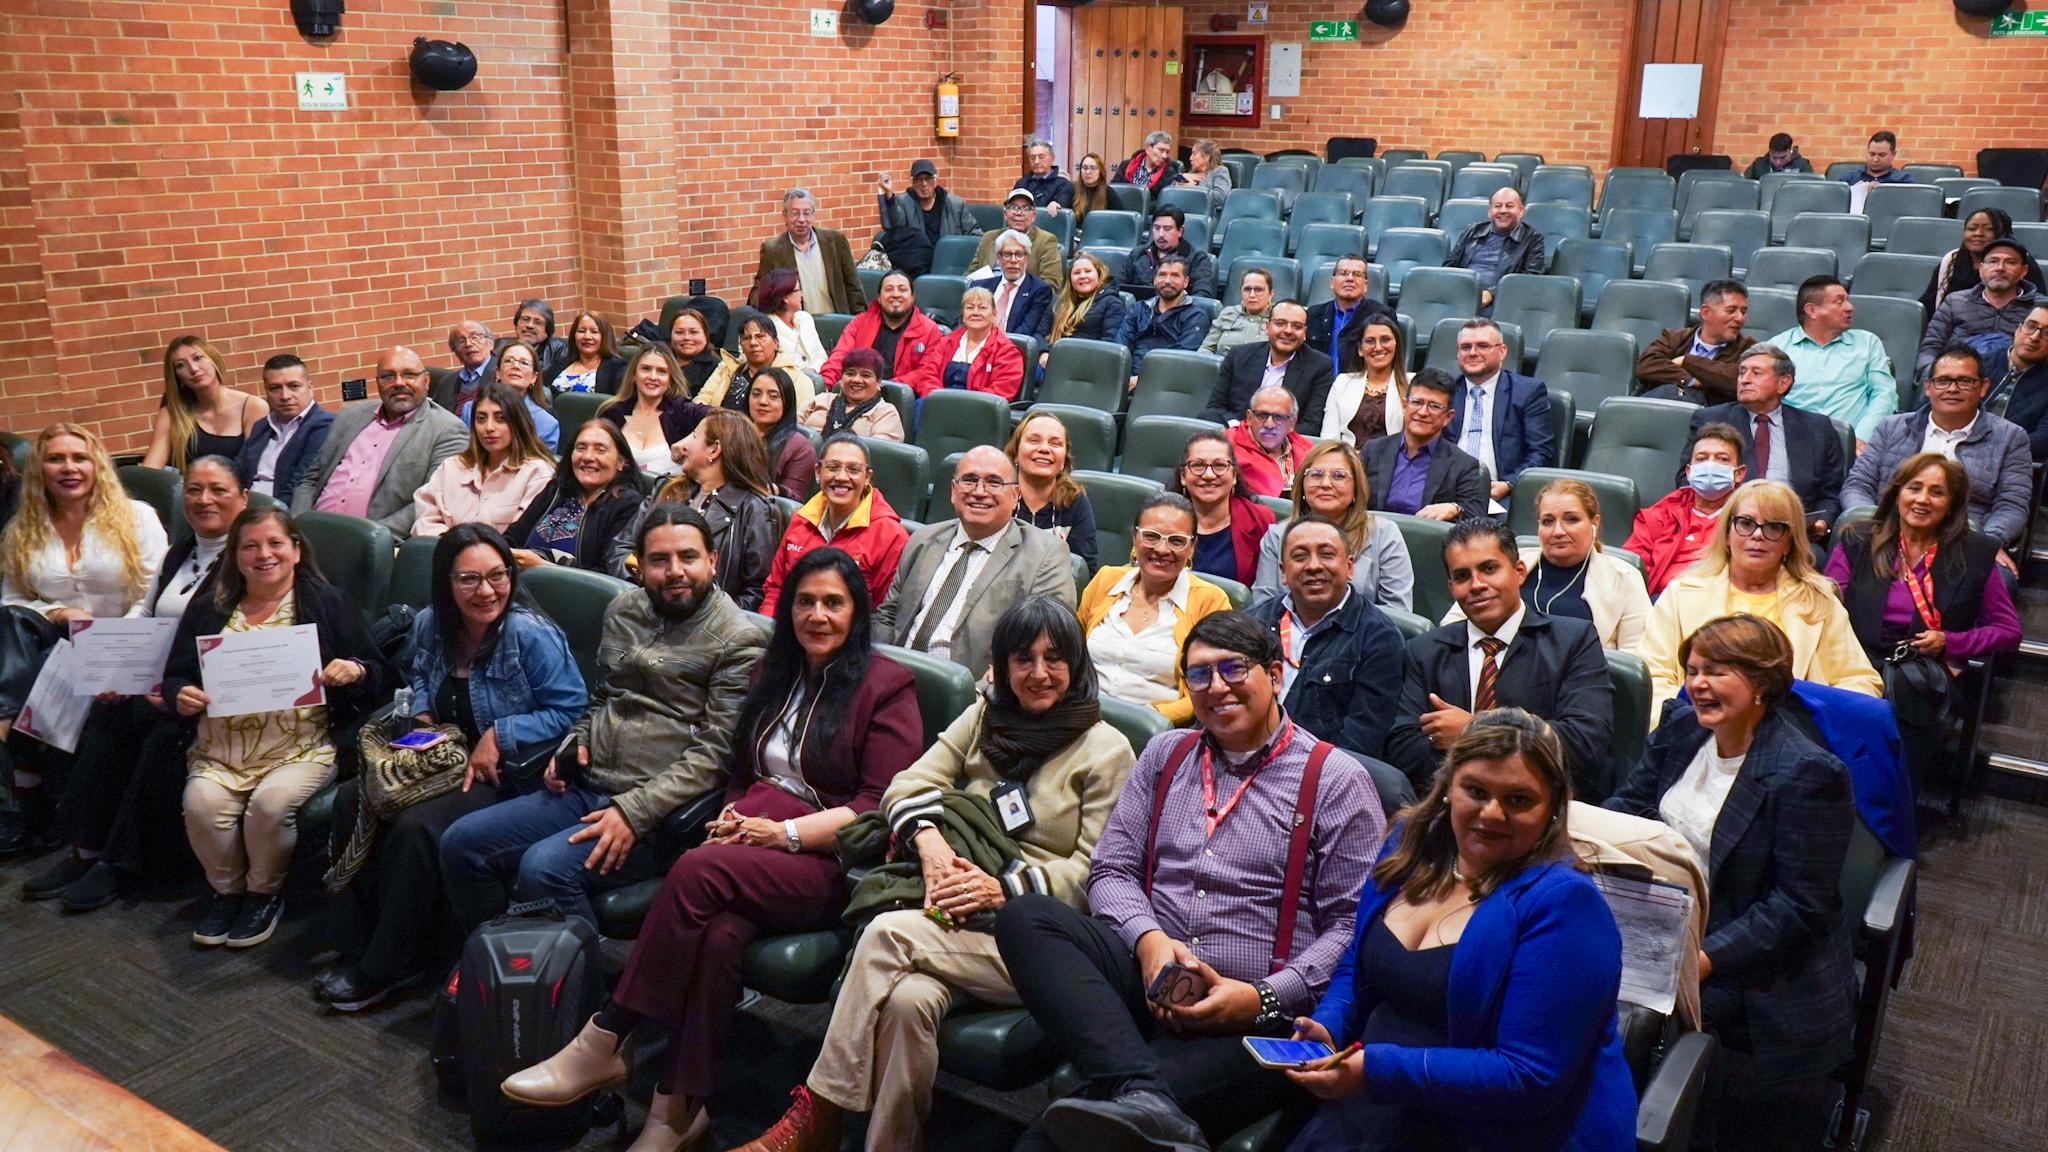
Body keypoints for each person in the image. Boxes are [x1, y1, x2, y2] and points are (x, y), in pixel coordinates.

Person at [498, 546, 917, 1149]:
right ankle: (678, 1113)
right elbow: (746, 771)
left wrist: (784, 834)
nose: (817, 616)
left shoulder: (886, 686)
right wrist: (734, 812)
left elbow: (876, 805)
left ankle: (609, 1033)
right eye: (805, 602)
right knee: (718, 936)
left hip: (829, 865)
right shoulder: (774, 671)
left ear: (858, 611)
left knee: (695, 871)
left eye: (833, 603)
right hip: (749, 847)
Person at [735, 598, 1134, 1152]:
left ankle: (817, 1114)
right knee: (907, 1004)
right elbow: (904, 785)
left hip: (1034, 942)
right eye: (1024, 659)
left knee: (884, 934)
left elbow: (1095, 875)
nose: (1039, 674)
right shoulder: (984, 717)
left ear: (1077, 665)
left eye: (1055, 658)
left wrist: (1002, 886)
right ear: (1003, 663)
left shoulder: (1107, 749)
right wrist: (930, 845)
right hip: (949, 913)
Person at [993, 611, 1385, 1151]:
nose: (1216, 686)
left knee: (1057, 1142)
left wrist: (1260, 997)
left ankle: (1135, 1094)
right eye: (1199, 675)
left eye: (1233, 669)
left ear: (1273, 676)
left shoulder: (1336, 781)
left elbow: (1351, 929)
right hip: (1153, 979)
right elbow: (1111, 870)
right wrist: (1150, 943)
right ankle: (1141, 1089)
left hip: (1258, 1016)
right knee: (1026, 916)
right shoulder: (1166, 753)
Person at [1288, 709, 1636, 1152]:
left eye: (1518, 800)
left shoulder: (1565, 904)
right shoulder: (1410, 845)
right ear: (1449, 787)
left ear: (1552, 809)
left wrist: (1374, 1071)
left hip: (1491, 1127)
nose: (1491, 814)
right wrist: (1328, 1029)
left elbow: (1528, 1076)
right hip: (1377, 1101)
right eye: (1476, 791)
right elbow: (1357, 965)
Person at [439, 504, 768, 932]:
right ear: (640, 565)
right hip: (586, 788)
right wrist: (572, 742)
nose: (675, 571)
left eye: (687, 557)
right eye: (659, 560)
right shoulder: (624, 612)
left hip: (658, 812)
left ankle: (579, 993)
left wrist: (634, 811)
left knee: (543, 870)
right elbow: (602, 699)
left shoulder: (738, 640)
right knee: (461, 843)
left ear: (712, 560)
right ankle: (501, 962)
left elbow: (717, 755)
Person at [315, 524, 586, 1011]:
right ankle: (355, 943)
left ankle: (391, 965)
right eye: (469, 580)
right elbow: (419, 674)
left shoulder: (530, 634)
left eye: (498, 576)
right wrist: (421, 715)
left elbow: (571, 708)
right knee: (355, 798)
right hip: (443, 754)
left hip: (505, 772)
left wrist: (499, 735)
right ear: (446, 583)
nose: (486, 591)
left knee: (417, 829)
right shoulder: (429, 624)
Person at [1607, 614, 1858, 1097]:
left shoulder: (1808, 773)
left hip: (1749, 956)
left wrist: (1702, 959)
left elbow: (1798, 907)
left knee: (1630, 1026)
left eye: (1717, 672)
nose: (1698, 685)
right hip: (1666, 916)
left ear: (1762, 683)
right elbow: (1630, 803)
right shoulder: (1682, 727)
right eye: (1693, 670)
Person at [14, 457, 243, 907]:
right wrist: (123, 672)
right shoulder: (181, 551)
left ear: (243, 497)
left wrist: (172, 686)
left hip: (205, 692)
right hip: (160, 678)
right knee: (108, 712)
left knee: (161, 734)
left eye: (218, 490)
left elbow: (242, 635)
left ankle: (120, 863)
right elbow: (146, 612)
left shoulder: (249, 556)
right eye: (194, 490)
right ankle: (85, 848)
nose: (203, 500)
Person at [164, 507, 391, 948]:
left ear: (296, 550)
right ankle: (227, 892)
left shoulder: (325, 602)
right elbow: (175, 673)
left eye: (275, 544)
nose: (263, 554)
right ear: (235, 554)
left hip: (301, 746)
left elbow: (381, 673)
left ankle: (263, 894)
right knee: (201, 805)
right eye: (250, 546)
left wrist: (355, 670)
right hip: (221, 747)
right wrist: (180, 693)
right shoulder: (212, 605)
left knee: (270, 806)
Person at [0, 424, 172, 858]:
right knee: (13, 635)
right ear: (40, 468)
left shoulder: (136, 517)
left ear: (97, 464)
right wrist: (58, 613)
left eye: (79, 458)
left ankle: (27, 791)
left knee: (25, 690)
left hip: (128, 646)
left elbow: (153, 594)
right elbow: (12, 600)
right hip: (50, 648)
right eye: (56, 459)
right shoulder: (24, 527)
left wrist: (110, 652)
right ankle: (33, 797)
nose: (69, 468)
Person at [1827, 453, 2022, 791]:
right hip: (1854, 661)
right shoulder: (1857, 539)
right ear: (1898, 492)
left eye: (1937, 492)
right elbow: (1825, 604)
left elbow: (2008, 632)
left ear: (1952, 503)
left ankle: (1890, 814)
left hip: (1922, 672)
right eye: (1914, 488)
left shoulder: (1976, 554)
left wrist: (1952, 642)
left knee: (1899, 705)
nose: (1922, 499)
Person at [1386, 518, 1614, 795]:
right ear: (1451, 587)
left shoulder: (1573, 640)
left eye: (1489, 569)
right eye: (1462, 576)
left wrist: (1475, 730)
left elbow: (1583, 741)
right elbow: (1402, 749)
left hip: (1544, 802)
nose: (1477, 584)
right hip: (1448, 802)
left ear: (1519, 571)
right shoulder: (1425, 650)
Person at [1640, 479, 1881, 721]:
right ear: (1726, 534)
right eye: (1745, 523)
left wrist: (1812, 721)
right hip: (1698, 730)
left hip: (1793, 739)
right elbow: (1653, 677)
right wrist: (1698, 720)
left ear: (1789, 542)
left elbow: (1860, 682)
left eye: (1774, 527)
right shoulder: (1681, 593)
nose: (1757, 535)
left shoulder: (1820, 601)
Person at [875, 446, 1075, 678]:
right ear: (953, 490)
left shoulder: (1045, 555)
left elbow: (1047, 644)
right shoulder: (923, 540)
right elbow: (887, 617)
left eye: (994, 482)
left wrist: (987, 692)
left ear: (1015, 495)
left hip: (974, 696)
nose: (980, 491)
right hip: (893, 682)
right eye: (969, 480)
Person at [1842, 343, 2033, 568]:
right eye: (1943, 381)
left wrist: (1986, 542)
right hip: (1887, 533)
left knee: (2001, 579)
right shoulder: (1891, 427)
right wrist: (1875, 526)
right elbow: (1857, 485)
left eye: (1964, 381)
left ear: (1983, 387)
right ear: (1928, 387)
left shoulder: (2011, 437)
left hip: (1964, 542)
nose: (1952, 388)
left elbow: (2012, 504)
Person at [1249, 515, 1409, 769]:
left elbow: (1360, 742)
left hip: (1319, 777)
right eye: (1300, 556)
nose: (1313, 566)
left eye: (1326, 554)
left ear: (1349, 567)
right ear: (1283, 572)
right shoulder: (1254, 622)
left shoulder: (1380, 638)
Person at [1446, 477, 1650, 651]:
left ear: (1594, 523)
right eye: (1547, 521)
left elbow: (1636, 659)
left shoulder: (1624, 577)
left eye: (1571, 519)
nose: (1558, 531)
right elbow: (1452, 625)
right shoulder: (1508, 564)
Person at [1078, 493, 1230, 723]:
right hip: (1081, 716)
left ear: (1191, 548)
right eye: (1151, 537)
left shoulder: (1211, 602)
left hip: (1154, 733)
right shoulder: (1105, 580)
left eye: (1176, 541)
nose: (1161, 549)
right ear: (1134, 538)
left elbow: (1209, 688)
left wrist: (1149, 721)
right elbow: (1069, 654)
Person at [293, 345, 467, 539]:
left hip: (368, 544)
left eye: (409, 375)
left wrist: (365, 538)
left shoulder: (447, 430)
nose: (398, 383)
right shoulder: (350, 416)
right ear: (378, 383)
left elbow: (432, 502)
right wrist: (297, 527)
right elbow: (311, 479)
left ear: (426, 381)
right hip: (309, 536)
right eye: (388, 376)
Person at [610, 411, 776, 609]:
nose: (682, 445)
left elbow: (756, 592)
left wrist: (703, 615)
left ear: (714, 450)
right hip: (646, 609)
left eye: (694, 436)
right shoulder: (665, 489)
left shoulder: (755, 510)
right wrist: (648, 586)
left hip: (710, 629)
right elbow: (620, 550)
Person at [1684, 343, 1849, 541]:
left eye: (1756, 373)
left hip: (1793, 533)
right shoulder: (1710, 420)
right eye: (1742, 373)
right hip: (1725, 529)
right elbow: (1686, 479)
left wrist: (1824, 522)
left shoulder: (1817, 427)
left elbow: (1831, 491)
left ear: (1783, 383)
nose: (1744, 380)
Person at [1254, 440, 1414, 610]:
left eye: (1339, 476)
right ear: (1302, 484)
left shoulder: (1384, 534)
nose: (1325, 484)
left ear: (1356, 489)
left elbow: (1398, 613)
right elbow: (1264, 607)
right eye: (1316, 474)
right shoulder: (1277, 535)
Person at [759, 434, 908, 616]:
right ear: (817, 472)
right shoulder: (801, 519)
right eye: (832, 467)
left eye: (853, 469)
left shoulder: (891, 535)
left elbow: (882, 615)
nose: (842, 477)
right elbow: (775, 589)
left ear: (867, 477)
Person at [412, 383, 556, 537]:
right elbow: (424, 521)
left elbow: (522, 538)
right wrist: (452, 546)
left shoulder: (536, 473)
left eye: (500, 419)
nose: (489, 427)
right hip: (445, 555)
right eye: (481, 419)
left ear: (517, 423)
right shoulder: (452, 467)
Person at [505, 420, 647, 574]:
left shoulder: (628, 504)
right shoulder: (556, 491)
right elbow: (512, 538)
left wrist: (544, 568)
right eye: (581, 448)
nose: (587, 457)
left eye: (600, 450)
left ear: (621, 462)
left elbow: (609, 574)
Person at [1769, 276, 1896, 443]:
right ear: (1811, 310)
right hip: (1792, 443)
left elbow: (1884, 395)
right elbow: (1766, 400)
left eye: (1848, 301)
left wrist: (1862, 438)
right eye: (1839, 302)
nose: (1850, 307)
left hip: (1853, 445)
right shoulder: (1777, 347)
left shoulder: (1867, 343)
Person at [1445, 319, 1553, 511]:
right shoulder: (1446, 392)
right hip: (1447, 490)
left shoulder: (1528, 392)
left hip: (1501, 493)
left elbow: (1541, 453)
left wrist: (1509, 484)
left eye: (1483, 346)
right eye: (1465, 347)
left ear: (1502, 351)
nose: (1472, 353)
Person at [1629, 422, 1747, 597]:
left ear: (1739, 473)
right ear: (1690, 472)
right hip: (1661, 600)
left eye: (1722, 459)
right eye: (1701, 458)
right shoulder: (1660, 514)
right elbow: (1631, 567)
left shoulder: (1749, 518)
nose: (1710, 466)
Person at [1361, 369, 1490, 522]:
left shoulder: (1464, 465)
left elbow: (1476, 518)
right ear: (1404, 405)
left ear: (1448, 417)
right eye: (1417, 402)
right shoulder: (1373, 450)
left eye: (1434, 406)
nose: (1422, 412)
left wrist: (1455, 508)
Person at [1201, 302, 1336, 432]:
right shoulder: (1238, 356)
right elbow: (1215, 407)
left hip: (1284, 444)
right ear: (1267, 327)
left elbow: (1311, 425)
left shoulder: (1320, 366)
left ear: (1305, 333)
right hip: (1236, 436)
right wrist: (1243, 430)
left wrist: (1269, 433)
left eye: (1297, 326)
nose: (1288, 331)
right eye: (1280, 323)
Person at [141, 336, 269, 472]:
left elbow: (255, 470)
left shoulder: (253, 407)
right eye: (180, 365)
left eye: (197, 358)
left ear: (214, 360)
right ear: (178, 378)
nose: (193, 369)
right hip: (189, 491)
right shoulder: (171, 414)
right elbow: (150, 471)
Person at [1171, 428, 1274, 589]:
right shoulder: (1162, 517)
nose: (1209, 475)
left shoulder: (1259, 518)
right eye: (1198, 465)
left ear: (1234, 475)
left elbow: (1267, 591)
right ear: (1183, 476)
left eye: (1219, 465)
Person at [1918, 237, 2038, 375]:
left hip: (2019, 382)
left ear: (2024, 271)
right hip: (1957, 379)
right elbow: (1932, 346)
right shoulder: (1955, 301)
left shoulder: (2040, 308)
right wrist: (1931, 373)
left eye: (2010, 262)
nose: (2000, 268)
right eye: (1993, 261)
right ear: (1981, 269)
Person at [817, 269, 945, 395]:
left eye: (902, 289)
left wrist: (884, 387)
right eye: (889, 289)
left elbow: (926, 372)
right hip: (857, 393)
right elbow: (839, 357)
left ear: (912, 297)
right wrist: (825, 385)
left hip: (901, 398)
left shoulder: (929, 329)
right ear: (879, 297)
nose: (896, 294)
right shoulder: (860, 322)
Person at [599, 344, 712, 481]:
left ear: (670, 379)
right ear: (634, 375)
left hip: (671, 497)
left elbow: (728, 419)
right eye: (646, 369)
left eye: (662, 371)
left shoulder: (682, 410)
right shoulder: (612, 412)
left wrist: (690, 438)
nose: (653, 377)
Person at [1636, 280, 1757, 405]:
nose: (1740, 318)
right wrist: (1692, 380)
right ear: (1705, 312)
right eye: (1731, 310)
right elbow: (1646, 366)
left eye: (1743, 312)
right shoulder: (1673, 337)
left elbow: (1736, 379)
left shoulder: (1749, 348)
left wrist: (1686, 361)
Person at [235, 353, 335, 503]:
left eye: (294, 386)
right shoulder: (262, 426)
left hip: (280, 514)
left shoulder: (325, 425)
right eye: (275, 388)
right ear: (266, 392)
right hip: (245, 508)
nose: (285, 396)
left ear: (310, 388)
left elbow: (299, 486)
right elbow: (239, 469)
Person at [1008, 410, 1099, 572]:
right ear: (1015, 454)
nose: (1044, 449)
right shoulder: (997, 494)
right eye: (1034, 441)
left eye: (1055, 444)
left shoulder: (1075, 501)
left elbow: (1084, 571)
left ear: (1064, 460)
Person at [1919, 207, 2047, 319]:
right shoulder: (1951, 260)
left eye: (1989, 229)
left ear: (2002, 234)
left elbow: (2038, 309)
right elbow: (1929, 306)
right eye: (1971, 228)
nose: (1978, 234)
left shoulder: (2021, 262)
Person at [759, 187, 866, 315]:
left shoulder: (836, 242)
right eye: (795, 213)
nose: (801, 219)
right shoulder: (772, 250)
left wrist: (861, 321)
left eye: (807, 213)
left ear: (813, 214)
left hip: (838, 324)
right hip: (798, 329)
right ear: (785, 216)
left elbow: (853, 287)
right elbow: (761, 294)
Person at [1442, 187, 1545, 312]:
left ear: (1521, 211)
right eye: (1498, 206)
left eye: (1509, 206)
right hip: (1462, 294)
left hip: (1501, 301)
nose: (1503, 210)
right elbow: (1450, 265)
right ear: (1490, 212)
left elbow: (1530, 278)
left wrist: (1492, 294)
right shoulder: (1473, 230)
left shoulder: (1533, 238)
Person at [877, 158, 982, 276]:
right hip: (916, 269)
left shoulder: (955, 204)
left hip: (950, 267)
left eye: (928, 178)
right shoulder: (903, 202)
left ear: (935, 180)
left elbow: (977, 236)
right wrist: (889, 195)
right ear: (912, 182)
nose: (924, 184)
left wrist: (958, 255)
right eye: (919, 179)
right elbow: (894, 226)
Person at [693, 312, 813, 412]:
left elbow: (799, 422)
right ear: (740, 345)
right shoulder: (726, 368)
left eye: (760, 337)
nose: (753, 343)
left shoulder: (796, 378)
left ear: (776, 343)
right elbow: (701, 401)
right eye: (747, 338)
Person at [918, 286, 1021, 401]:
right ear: (963, 315)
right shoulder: (945, 342)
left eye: (982, 308)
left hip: (977, 410)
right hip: (938, 402)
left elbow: (999, 392)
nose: (975, 313)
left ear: (994, 314)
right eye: (970, 308)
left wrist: (962, 406)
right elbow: (927, 375)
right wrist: (941, 401)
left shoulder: (1007, 352)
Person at [1320, 315, 1408, 446]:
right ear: (1360, 349)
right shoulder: (1342, 382)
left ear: (1396, 345)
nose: (1378, 347)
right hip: (1348, 461)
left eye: (1385, 340)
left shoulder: (1412, 385)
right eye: (1370, 341)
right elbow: (1329, 437)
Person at [462, 340, 560, 453]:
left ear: (534, 377)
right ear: (498, 372)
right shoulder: (470, 410)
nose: (516, 366)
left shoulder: (546, 423)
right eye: (509, 361)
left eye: (524, 363)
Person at [1306, 255, 1397, 373]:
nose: (1350, 278)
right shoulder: (1314, 315)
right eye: (1343, 273)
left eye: (1357, 274)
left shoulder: (1382, 315)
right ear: (1332, 282)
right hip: (1319, 386)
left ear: (1366, 285)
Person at [798, 347, 906, 441]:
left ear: (878, 383)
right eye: (850, 373)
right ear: (841, 378)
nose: (856, 380)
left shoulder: (886, 414)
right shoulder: (819, 401)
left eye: (866, 375)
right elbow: (789, 430)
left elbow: (877, 455)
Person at [1227, 385, 1315, 499]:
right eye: (1262, 415)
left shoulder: (1307, 450)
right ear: (1249, 418)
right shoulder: (1227, 446)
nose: (1269, 424)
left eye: (1278, 417)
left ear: (1292, 423)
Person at [970, 229, 1055, 340]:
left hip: (1008, 349)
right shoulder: (980, 287)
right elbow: (963, 322)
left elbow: (1026, 330)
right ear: (999, 258)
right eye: (1007, 254)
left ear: (1027, 258)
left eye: (1019, 254)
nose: (1013, 260)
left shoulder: (1039, 290)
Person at [971, 187, 1065, 288]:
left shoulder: (1046, 241)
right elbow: (971, 274)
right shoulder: (989, 237)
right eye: (1013, 207)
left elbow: (1051, 283)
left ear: (1033, 216)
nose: (1019, 213)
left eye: (1026, 208)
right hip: (985, 296)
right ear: (1005, 214)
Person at [1990, 298, 2048, 460]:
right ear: (2017, 329)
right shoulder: (1976, 365)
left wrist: (1993, 451)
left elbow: (2043, 439)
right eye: (2030, 326)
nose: (2035, 337)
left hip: (2011, 463)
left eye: (2047, 333)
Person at [1123, 205, 1218, 302]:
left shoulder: (1197, 258)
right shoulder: (1137, 254)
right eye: (1156, 228)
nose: (1161, 234)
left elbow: (1202, 296)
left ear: (1180, 231)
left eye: (1167, 229)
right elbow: (1118, 288)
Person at [1046, 251, 1130, 352]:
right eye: (1077, 273)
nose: (1082, 276)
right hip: (1053, 356)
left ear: (1099, 275)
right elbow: (1040, 333)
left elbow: (1109, 346)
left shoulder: (1113, 304)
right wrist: (1043, 352)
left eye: (1088, 271)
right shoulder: (1057, 302)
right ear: (1070, 279)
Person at [750, 268, 830, 373]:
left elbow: (821, 357)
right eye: (798, 290)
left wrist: (813, 371)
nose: (802, 295)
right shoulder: (764, 329)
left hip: (819, 379)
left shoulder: (805, 319)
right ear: (785, 298)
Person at [542, 310, 627, 395]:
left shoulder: (618, 368)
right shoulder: (561, 363)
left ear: (605, 336)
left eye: (594, 332)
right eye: (581, 331)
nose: (587, 337)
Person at [668, 306, 741, 399]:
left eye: (693, 332)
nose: (686, 337)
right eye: (679, 332)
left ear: (705, 335)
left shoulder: (718, 369)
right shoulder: (660, 360)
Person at [1199, 266, 1275, 354]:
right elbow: (1206, 348)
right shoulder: (1228, 313)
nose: (1252, 295)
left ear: (1270, 294)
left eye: (1258, 290)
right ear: (1241, 292)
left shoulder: (1278, 318)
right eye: (1247, 289)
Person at [433, 319, 497, 412]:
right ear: (454, 350)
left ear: (490, 344)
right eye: (461, 340)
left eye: (475, 337)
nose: (468, 344)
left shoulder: (503, 373)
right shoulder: (446, 384)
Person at [511, 299, 573, 380]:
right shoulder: (500, 348)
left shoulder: (560, 350)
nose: (530, 325)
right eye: (525, 319)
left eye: (538, 322)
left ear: (547, 331)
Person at [1114, 130, 1185, 196]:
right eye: (1161, 150)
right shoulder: (1125, 165)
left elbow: (1163, 201)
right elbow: (1114, 190)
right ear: (1148, 149)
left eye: (1167, 152)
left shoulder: (1169, 173)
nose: (1164, 156)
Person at [1176, 138, 1233, 215]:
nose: (1190, 158)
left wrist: (1194, 188)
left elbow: (1221, 198)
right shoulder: (1190, 174)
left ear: (1206, 156)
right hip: (1186, 211)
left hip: (1208, 214)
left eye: (1194, 154)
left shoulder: (1220, 171)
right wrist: (1181, 178)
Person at [1022, 137, 1075, 209]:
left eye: (1041, 157)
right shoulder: (1023, 183)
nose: (1036, 162)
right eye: (1033, 158)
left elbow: (1062, 205)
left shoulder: (1063, 184)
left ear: (1052, 159)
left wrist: (1057, 204)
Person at [1842, 130, 1910, 185]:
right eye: (1872, 154)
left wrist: (1881, 191)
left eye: (1882, 155)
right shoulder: (1849, 179)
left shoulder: (1903, 181)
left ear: (1893, 154)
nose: (1875, 159)